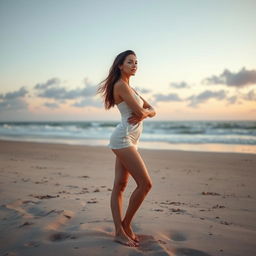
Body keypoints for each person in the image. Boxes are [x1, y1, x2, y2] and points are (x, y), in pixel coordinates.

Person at [97, 50, 156, 247]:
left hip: (131, 139)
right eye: (130, 62)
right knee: (145, 184)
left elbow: (152, 110)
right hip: (123, 138)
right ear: (120, 66)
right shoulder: (121, 86)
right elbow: (141, 111)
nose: (134, 65)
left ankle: (122, 230)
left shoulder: (132, 89)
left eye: (136, 62)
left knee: (120, 185)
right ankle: (124, 227)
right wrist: (144, 112)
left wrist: (145, 113)